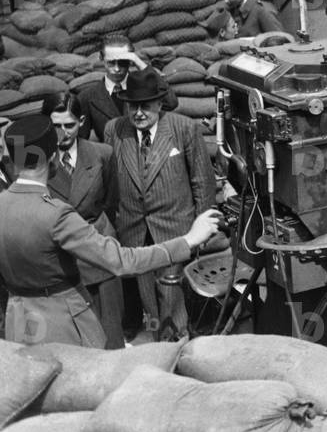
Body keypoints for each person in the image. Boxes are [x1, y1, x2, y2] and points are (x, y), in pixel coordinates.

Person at [0, 115, 221, 347]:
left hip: (19, 324)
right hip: (65, 330)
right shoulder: (56, 214)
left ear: (13, 161)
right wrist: (188, 240)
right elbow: (122, 261)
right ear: (54, 157)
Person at [104, 67, 217, 342]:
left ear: (158, 103)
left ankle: (179, 344)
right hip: (134, 232)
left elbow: (202, 180)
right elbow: (108, 184)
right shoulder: (114, 131)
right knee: (147, 300)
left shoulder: (182, 128)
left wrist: (201, 229)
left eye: (145, 106)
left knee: (172, 293)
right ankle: (159, 345)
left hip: (176, 228)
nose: (138, 113)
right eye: (132, 106)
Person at [43, 92, 124, 348]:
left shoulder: (102, 154)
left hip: (99, 249)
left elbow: (111, 201)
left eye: (69, 125)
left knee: (109, 335)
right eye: (55, 126)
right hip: (61, 255)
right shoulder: (35, 161)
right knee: (72, 341)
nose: (63, 133)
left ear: (81, 122)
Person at [78, 34, 175, 142]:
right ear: (101, 58)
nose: (117, 68)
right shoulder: (88, 96)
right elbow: (81, 140)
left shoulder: (144, 86)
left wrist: (139, 63)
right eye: (111, 62)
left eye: (122, 62)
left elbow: (171, 103)